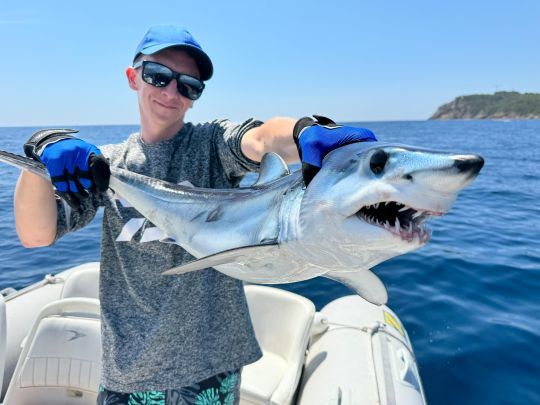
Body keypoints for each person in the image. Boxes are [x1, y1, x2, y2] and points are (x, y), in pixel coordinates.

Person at [14, 25, 376, 405]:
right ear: (133, 77)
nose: (172, 92)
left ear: (196, 97)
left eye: (189, 86)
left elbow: (261, 139)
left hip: (212, 367)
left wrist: (303, 131)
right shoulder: (106, 166)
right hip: (129, 369)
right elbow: (36, 234)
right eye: (158, 76)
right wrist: (40, 154)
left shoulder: (212, 144)